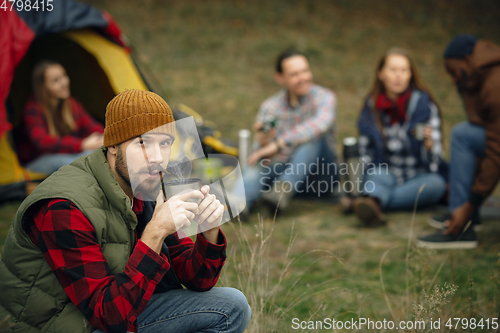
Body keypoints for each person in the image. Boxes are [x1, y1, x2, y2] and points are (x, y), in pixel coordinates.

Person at [0, 89, 251, 333]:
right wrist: (153, 234)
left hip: (119, 310)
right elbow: (108, 316)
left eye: (165, 144)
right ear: (112, 145)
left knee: (232, 306)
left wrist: (209, 233)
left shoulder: (147, 183)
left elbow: (196, 280)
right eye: (143, 143)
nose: (157, 158)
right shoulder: (64, 206)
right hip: (68, 323)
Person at [346, 48, 448, 226]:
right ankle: (372, 200)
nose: (398, 76)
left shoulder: (425, 106)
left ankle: (372, 201)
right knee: (376, 175)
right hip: (385, 171)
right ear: (381, 73)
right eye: (393, 70)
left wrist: (430, 146)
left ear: (411, 75)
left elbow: (435, 162)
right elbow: (365, 152)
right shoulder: (371, 106)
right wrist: (359, 177)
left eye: (404, 70)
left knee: (436, 184)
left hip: (417, 175)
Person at [418, 35, 500, 249]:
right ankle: (463, 214)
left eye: (453, 72)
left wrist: (470, 203)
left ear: (466, 59)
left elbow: (495, 153)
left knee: (462, 136)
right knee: (465, 134)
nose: (453, 79)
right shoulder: (480, 75)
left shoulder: (495, 85)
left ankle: (461, 227)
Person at [237, 49, 337, 213]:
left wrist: (278, 143)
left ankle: (282, 189)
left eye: (305, 71)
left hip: (321, 175)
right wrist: (264, 143)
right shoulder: (270, 107)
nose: (303, 78)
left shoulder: (325, 97)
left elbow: (321, 124)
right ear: (280, 78)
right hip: (282, 169)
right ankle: (239, 204)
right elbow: (264, 153)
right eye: (294, 74)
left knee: (312, 137)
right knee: (259, 159)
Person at [17, 60, 104, 174]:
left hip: (66, 154)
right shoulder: (33, 109)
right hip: (36, 162)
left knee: (97, 154)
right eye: (56, 81)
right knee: (76, 163)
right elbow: (42, 141)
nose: (64, 83)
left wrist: (104, 137)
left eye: (64, 76)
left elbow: (91, 125)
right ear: (43, 87)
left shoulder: (71, 104)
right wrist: (81, 144)